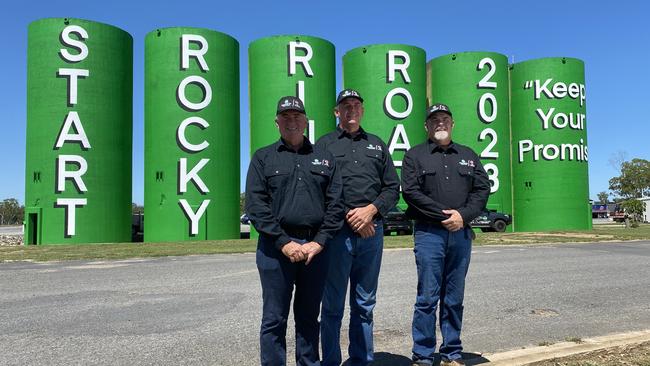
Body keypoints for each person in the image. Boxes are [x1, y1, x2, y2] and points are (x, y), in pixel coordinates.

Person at [245, 96, 345, 366]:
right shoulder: (263, 157)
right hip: (275, 250)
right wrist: (283, 242)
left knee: (308, 316)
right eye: (285, 117)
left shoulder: (324, 158)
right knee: (274, 319)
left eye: (296, 116)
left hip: (316, 248)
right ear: (277, 122)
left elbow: (336, 204)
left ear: (305, 121)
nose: (291, 122)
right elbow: (256, 205)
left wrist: (319, 242)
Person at [401, 103, 491, 366]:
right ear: (426, 126)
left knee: (454, 297)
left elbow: (482, 190)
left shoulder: (469, 155)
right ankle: (423, 356)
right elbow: (411, 192)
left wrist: (463, 216)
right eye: (434, 120)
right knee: (427, 298)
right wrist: (445, 215)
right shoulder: (415, 156)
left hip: (461, 234)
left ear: (452, 124)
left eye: (445, 119)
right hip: (429, 235)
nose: (440, 123)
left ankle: (452, 353)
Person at [317, 89, 400, 366]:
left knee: (364, 305)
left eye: (356, 105)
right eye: (345, 106)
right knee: (332, 307)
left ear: (362, 110)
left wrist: (371, 210)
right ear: (336, 112)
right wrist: (353, 217)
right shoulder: (324, 144)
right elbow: (320, 189)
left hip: (371, 235)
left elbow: (392, 187)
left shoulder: (376, 145)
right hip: (338, 236)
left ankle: (361, 361)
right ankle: (330, 362)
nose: (351, 110)